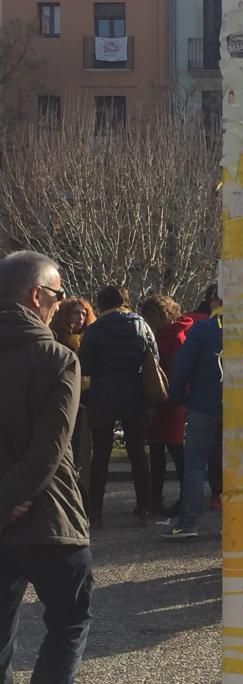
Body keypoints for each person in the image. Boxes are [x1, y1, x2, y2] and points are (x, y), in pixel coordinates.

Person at [0, 251, 93, 683]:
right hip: (49, 517)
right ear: (37, 296)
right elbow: (49, 451)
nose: (60, 303)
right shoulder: (57, 359)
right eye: (57, 295)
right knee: (69, 622)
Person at [80, 285, 158, 527]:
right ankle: (144, 507)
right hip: (134, 393)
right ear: (125, 301)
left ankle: (96, 511)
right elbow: (154, 357)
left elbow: (84, 366)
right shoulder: (141, 325)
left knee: (101, 453)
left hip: (103, 394)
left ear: (100, 304)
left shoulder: (95, 330)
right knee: (137, 452)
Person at [161, 290, 224, 540]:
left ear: (214, 302)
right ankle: (235, 520)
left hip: (203, 404)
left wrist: (176, 397)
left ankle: (188, 523)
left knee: (195, 464)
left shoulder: (202, 330)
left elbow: (182, 366)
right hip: (239, 407)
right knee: (237, 465)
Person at [140, 295, 194, 518]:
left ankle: (181, 497)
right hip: (169, 398)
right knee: (164, 448)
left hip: (171, 399)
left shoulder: (171, 338)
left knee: (172, 449)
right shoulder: (176, 335)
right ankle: (160, 497)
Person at [49, 298, 96, 489]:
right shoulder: (56, 338)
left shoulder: (90, 337)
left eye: (84, 313)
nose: (81, 317)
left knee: (82, 445)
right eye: (77, 313)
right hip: (62, 395)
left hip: (86, 396)